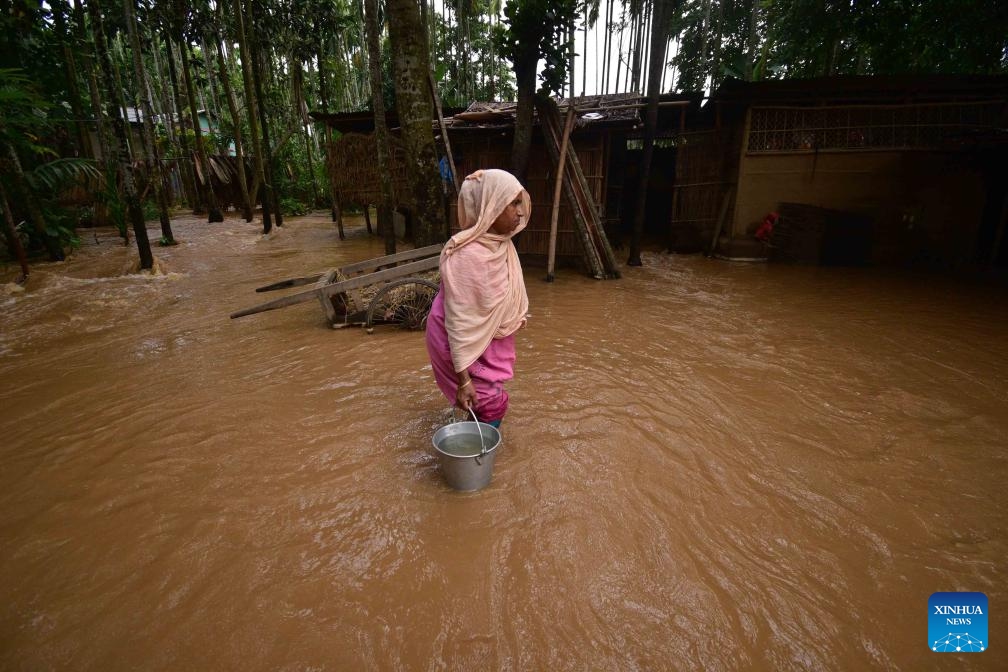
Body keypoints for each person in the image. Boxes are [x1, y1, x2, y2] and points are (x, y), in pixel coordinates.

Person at [425, 169, 530, 429]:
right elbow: (459, 324)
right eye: (513, 203)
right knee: (492, 403)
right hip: (456, 340)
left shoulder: (500, 244)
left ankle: (475, 435)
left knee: (484, 397)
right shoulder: (467, 256)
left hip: (485, 338)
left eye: (520, 202)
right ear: (491, 206)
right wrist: (463, 380)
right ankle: (480, 457)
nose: (520, 211)